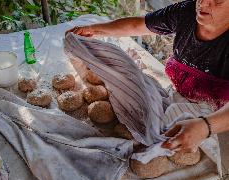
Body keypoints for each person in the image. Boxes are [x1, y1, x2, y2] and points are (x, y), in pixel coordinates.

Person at [66, 0, 229, 152]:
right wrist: (94, 30)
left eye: (218, 0)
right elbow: (138, 25)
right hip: (175, 98)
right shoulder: (186, 12)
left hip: (219, 120)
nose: (203, 3)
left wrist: (205, 126)